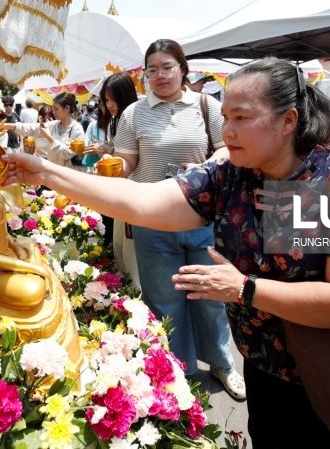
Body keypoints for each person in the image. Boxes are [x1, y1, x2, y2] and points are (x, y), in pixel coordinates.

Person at [1, 56, 330, 448]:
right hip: (268, 371)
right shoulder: (233, 174)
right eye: (226, 117)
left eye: (242, 118)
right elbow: (142, 202)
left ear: (289, 121)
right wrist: (47, 172)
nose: (226, 131)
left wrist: (245, 290)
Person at [109, 39, 244, 400]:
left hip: (202, 218)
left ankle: (222, 362)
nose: (160, 75)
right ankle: (178, 369)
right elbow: (128, 161)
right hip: (152, 219)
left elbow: (227, 147)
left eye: (167, 67)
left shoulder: (207, 105)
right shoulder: (134, 114)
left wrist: (206, 168)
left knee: (210, 296)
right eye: (151, 69)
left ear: (183, 69)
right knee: (164, 299)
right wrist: (113, 168)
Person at [0, 91, 81, 367]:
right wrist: (32, 268)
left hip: (2, 255)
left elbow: (0, 234)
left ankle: (31, 265)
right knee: (34, 288)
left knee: (30, 246)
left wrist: (16, 245)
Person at [83, 72, 139, 250]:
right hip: (119, 188)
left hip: (134, 189)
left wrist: (109, 151)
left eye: (113, 99)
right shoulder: (116, 120)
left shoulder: (135, 117)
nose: (109, 105)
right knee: (119, 242)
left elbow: (135, 156)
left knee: (128, 245)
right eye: (106, 100)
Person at [6, 93, 84, 168]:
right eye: (53, 109)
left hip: (66, 174)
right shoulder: (53, 125)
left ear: (67, 108)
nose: (54, 112)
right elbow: (33, 128)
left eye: (56, 109)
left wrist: (49, 137)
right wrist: (11, 126)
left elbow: (67, 154)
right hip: (51, 170)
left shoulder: (77, 129)